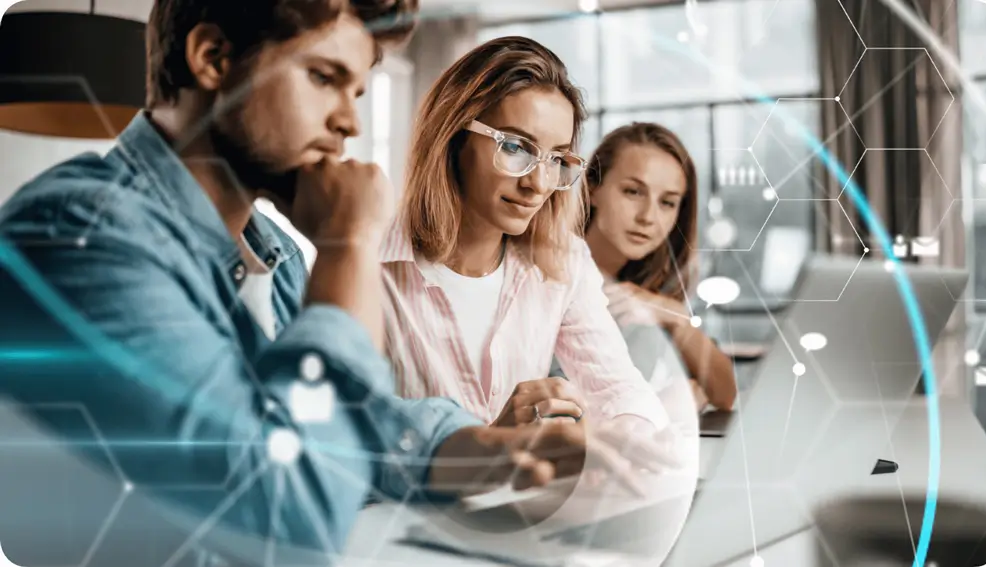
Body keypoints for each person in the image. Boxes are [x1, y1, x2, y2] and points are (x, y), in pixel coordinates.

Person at [0, 3, 667, 565]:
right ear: (211, 59)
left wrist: (479, 449)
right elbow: (283, 512)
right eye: (325, 78)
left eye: (358, 90)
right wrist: (346, 244)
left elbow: (364, 426)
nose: (350, 122)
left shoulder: (273, 259)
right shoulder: (83, 231)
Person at [380, 36, 670, 433]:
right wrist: (488, 447)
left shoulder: (562, 262)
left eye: (556, 159)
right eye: (516, 147)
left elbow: (620, 389)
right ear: (453, 139)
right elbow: (350, 436)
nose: (538, 183)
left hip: (525, 495)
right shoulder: (369, 265)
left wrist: (627, 441)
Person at [582, 122, 737, 412]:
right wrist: (666, 405)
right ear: (593, 187)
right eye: (633, 192)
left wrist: (674, 315)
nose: (648, 217)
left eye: (667, 203)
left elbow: (725, 394)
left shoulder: (647, 292)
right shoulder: (556, 279)